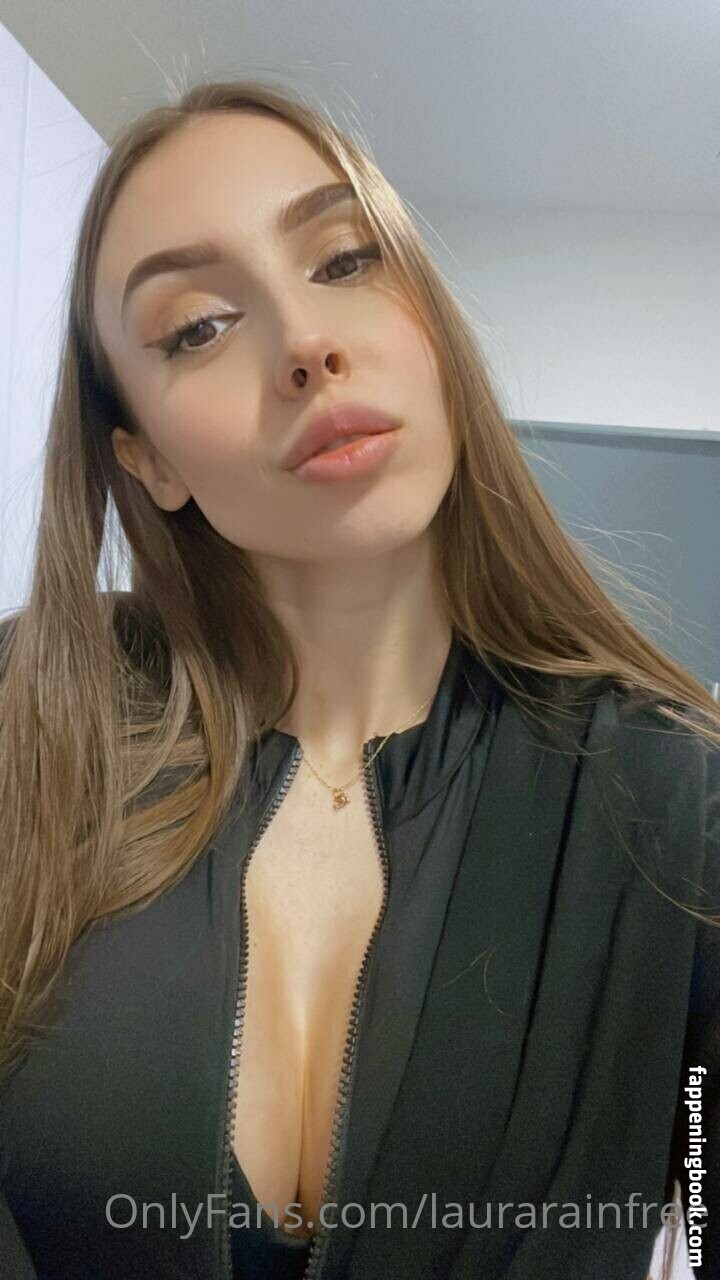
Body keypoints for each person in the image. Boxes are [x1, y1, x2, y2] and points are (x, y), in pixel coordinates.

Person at [0, 78, 718, 1280]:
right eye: (199, 326)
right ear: (148, 459)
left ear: (428, 326)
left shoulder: (674, 803)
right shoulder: (25, 719)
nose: (305, 343)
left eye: (343, 260)